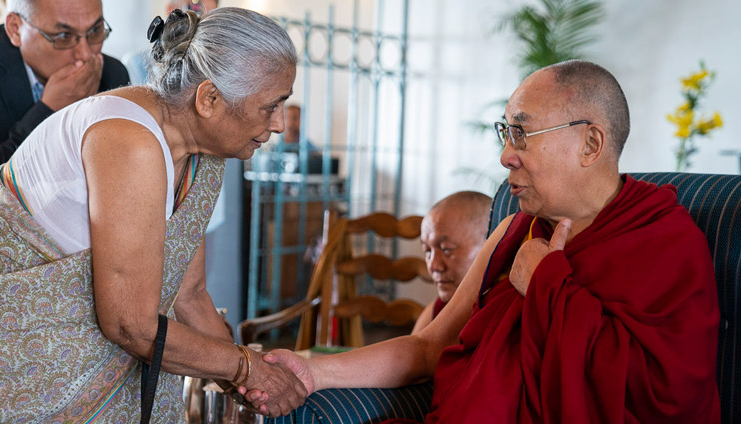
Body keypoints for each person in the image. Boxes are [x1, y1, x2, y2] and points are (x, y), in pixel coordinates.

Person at [255, 60, 721, 422]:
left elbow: (668, 400)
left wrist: (548, 283)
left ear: (591, 144)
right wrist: (314, 371)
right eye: (505, 131)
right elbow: (427, 348)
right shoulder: (515, 229)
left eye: (521, 132)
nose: (504, 156)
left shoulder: (667, 244)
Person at [0, 7, 306, 422]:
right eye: (271, 106)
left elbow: (190, 296)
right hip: (21, 368)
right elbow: (129, 326)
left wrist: (247, 383)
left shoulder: (198, 152)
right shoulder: (130, 140)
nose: (281, 124)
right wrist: (246, 366)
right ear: (209, 98)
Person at [0, 0, 130, 170]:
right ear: (15, 28)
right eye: (63, 36)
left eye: (95, 31)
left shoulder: (113, 74)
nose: (86, 54)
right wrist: (47, 111)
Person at [411, 191, 491, 334]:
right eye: (427, 251)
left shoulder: (506, 312)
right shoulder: (437, 311)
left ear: (489, 245)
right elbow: (410, 352)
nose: (433, 266)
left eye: (446, 249)